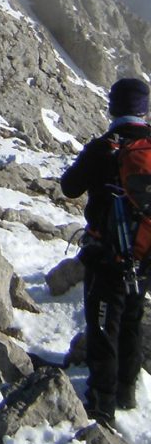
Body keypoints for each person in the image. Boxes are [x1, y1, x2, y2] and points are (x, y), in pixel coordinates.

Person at [60, 76, 151, 426]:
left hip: (107, 255)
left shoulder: (104, 147)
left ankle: (102, 404)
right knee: (131, 319)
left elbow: (69, 187)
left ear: (113, 107)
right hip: (145, 254)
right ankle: (127, 391)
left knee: (102, 326)